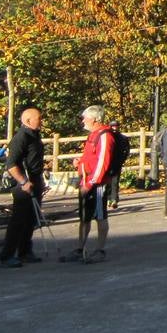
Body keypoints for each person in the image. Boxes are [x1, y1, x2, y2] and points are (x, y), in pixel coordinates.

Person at [61, 105, 114, 264]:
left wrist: (90, 183)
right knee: (84, 217)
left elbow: (103, 163)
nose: (83, 120)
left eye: (85, 117)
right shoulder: (93, 135)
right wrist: (80, 163)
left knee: (100, 216)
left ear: (95, 119)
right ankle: (80, 249)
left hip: (97, 185)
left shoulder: (105, 136)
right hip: (86, 181)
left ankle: (100, 250)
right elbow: (91, 158)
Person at [0, 107, 45, 268]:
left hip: (35, 180)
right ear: (27, 121)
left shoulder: (35, 135)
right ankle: (6, 256)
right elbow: (11, 164)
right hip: (23, 184)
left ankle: (25, 251)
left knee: (31, 219)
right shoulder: (21, 137)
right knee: (18, 220)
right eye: (39, 118)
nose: (42, 121)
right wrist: (23, 182)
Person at [105, 120, 130, 210]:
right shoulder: (107, 137)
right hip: (107, 163)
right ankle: (108, 199)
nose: (114, 128)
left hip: (117, 163)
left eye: (116, 126)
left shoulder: (123, 138)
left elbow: (126, 151)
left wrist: (121, 160)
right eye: (113, 126)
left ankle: (114, 199)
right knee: (107, 182)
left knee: (115, 182)